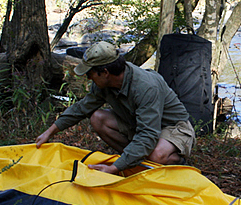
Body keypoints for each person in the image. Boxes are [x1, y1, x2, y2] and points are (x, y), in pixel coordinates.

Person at [35, 41, 195, 174]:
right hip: (139, 124)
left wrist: (114, 168)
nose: (88, 78)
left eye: (89, 74)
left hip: (173, 128)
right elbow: (82, 108)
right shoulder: (103, 84)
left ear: (104, 72)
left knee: (155, 154)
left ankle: (175, 161)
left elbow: (148, 134)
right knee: (97, 118)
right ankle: (135, 160)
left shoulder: (146, 87)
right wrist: (50, 132)